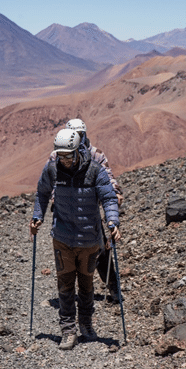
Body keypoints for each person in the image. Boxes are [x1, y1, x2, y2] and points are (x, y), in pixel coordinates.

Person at [30, 128, 121, 350]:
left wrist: (112, 222)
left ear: (79, 150)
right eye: (61, 156)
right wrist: (37, 216)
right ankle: (68, 330)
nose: (65, 161)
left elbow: (109, 197)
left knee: (87, 285)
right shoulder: (53, 169)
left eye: (69, 156)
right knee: (65, 284)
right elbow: (42, 193)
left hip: (89, 238)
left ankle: (87, 325)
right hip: (62, 237)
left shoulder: (95, 170)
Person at [49, 118, 124, 303]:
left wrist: (114, 192)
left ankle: (113, 289)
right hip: (66, 214)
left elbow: (107, 176)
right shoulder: (57, 155)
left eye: (81, 135)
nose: (78, 139)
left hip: (89, 212)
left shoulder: (96, 154)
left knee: (101, 250)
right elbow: (51, 178)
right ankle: (70, 297)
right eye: (75, 135)